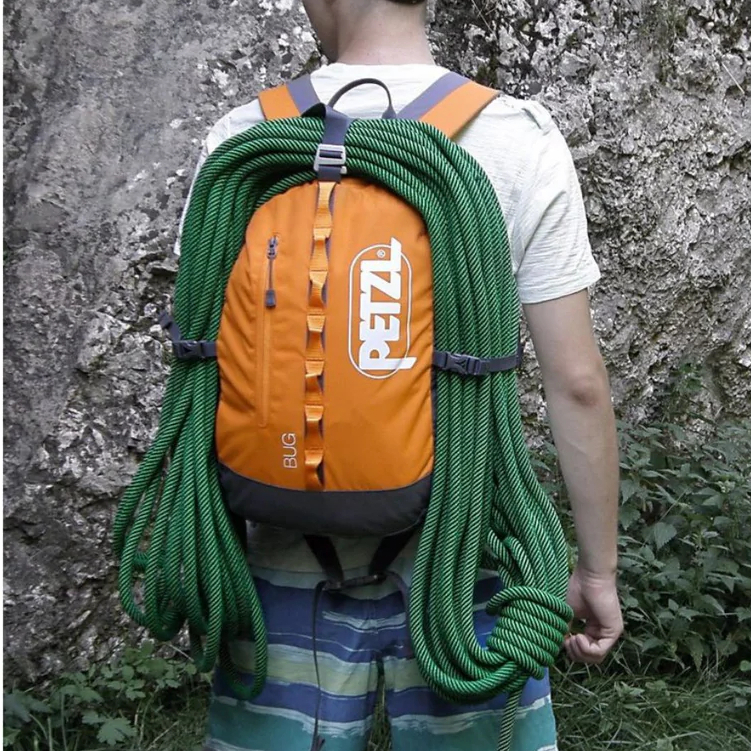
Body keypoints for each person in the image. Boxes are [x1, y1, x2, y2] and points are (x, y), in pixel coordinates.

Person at [192, 1, 624, 749]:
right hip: (461, 562)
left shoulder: (243, 139)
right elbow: (577, 381)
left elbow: (205, 360)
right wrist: (596, 570)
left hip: (277, 547)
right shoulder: (514, 137)